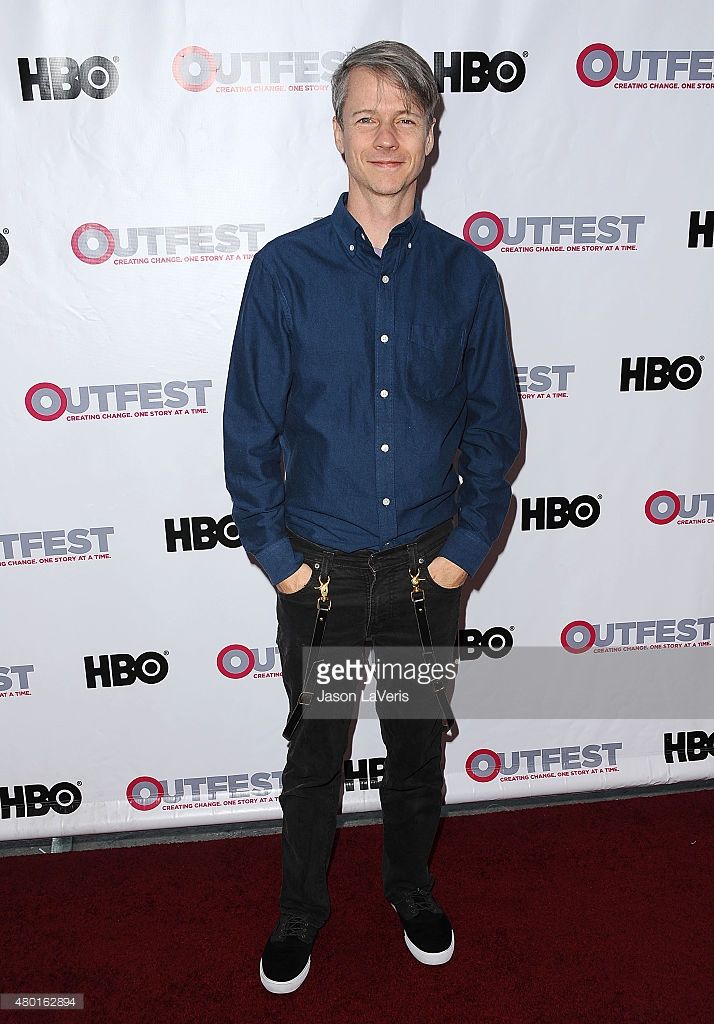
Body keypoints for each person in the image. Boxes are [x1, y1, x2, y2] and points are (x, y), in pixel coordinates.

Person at [223, 39, 521, 995]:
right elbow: (248, 429)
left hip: (427, 576)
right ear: (338, 134)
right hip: (319, 576)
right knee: (315, 759)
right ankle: (299, 910)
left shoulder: (468, 278)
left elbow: (495, 432)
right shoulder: (284, 272)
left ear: (431, 137)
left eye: (406, 118)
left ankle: (411, 889)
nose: (385, 137)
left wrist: (461, 555)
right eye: (366, 117)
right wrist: (281, 561)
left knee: (416, 755)